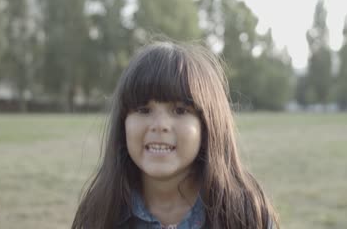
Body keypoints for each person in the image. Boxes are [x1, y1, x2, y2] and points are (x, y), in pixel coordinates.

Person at [71, 41, 279, 229]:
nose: (160, 125)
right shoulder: (100, 213)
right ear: (123, 122)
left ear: (208, 125)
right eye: (143, 110)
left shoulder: (245, 214)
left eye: (180, 110)